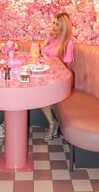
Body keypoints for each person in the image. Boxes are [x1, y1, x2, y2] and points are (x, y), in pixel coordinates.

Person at [40, 12, 74, 142]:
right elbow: (40, 52)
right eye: (53, 22)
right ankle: (52, 123)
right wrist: (48, 39)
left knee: (42, 96)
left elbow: (67, 65)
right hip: (47, 75)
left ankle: (52, 124)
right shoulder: (53, 39)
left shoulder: (67, 43)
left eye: (57, 24)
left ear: (63, 27)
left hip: (60, 79)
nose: (53, 26)